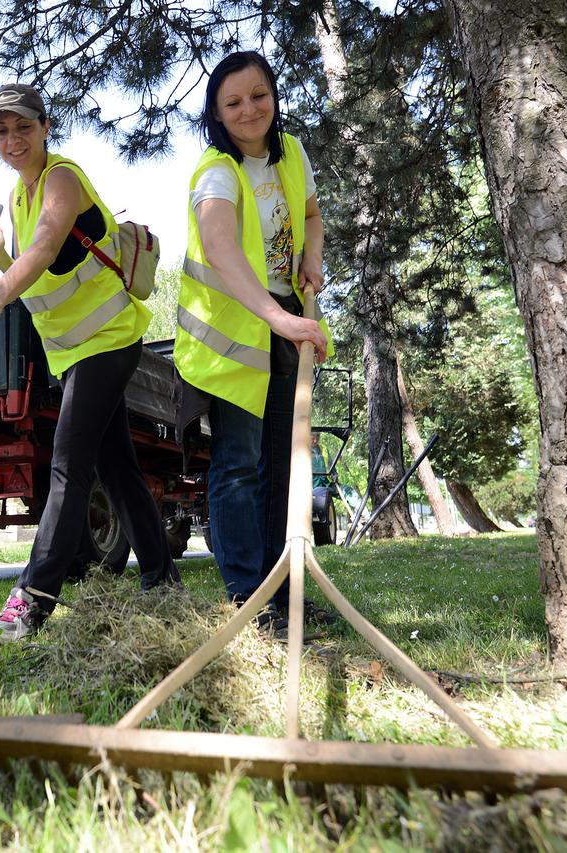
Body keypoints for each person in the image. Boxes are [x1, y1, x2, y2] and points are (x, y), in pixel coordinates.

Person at [0, 83, 181, 643]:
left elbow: (49, 247)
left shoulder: (61, 178)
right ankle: (163, 580)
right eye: (1, 131)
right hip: (77, 354)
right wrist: (1, 250)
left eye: (23, 127)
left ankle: (32, 602)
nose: (12, 140)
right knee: (118, 470)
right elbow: (46, 276)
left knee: (67, 466)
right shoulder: (20, 196)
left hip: (110, 340)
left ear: (46, 127)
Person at [174, 51, 333, 636]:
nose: (249, 110)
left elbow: (310, 215)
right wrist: (278, 318)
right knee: (240, 465)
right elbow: (221, 248)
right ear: (216, 113)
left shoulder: (291, 154)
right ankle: (249, 597)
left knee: (281, 466)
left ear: (273, 95)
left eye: (258, 96)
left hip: (282, 320)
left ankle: (282, 589)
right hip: (230, 335)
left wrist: (312, 255)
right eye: (233, 102)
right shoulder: (216, 171)